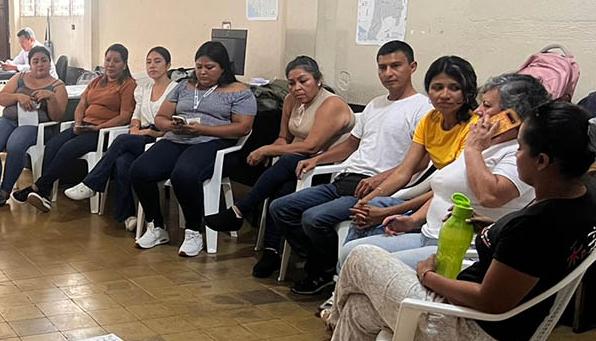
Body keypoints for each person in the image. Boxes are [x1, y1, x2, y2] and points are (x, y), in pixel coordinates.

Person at [287, 101, 596, 341]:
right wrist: (491, 226)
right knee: (359, 309)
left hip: (472, 337)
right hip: (490, 327)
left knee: (361, 256)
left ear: (542, 161)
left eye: (520, 149)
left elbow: (489, 301)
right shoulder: (580, 200)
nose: (516, 154)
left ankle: (332, 316)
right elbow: (527, 257)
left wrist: (428, 276)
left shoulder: (536, 226)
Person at [336, 73, 548, 271]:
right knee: (350, 252)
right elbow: (444, 191)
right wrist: (413, 220)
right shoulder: (485, 143)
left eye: (487, 105)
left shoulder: (517, 154)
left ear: (512, 117)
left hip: (463, 249)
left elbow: (490, 196)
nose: (478, 111)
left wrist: (473, 149)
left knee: (364, 265)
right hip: (429, 234)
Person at [268, 41, 431, 296]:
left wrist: (380, 178)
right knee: (281, 207)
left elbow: (421, 162)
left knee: (314, 218)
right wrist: (318, 160)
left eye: (395, 66)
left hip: (381, 188)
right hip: (344, 179)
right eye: (382, 67)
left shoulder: (423, 108)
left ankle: (324, 271)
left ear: (412, 67)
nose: (388, 73)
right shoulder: (375, 104)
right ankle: (324, 264)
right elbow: (349, 146)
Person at [204, 56, 354, 276]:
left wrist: (267, 150)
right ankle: (271, 251)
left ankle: (241, 211)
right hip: (296, 166)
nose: (297, 88)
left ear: (318, 80)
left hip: (325, 167)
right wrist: (274, 148)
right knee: (282, 183)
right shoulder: (291, 101)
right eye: (291, 83)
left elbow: (312, 146)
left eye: (303, 81)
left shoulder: (331, 104)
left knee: (288, 163)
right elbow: (284, 138)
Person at [131, 40, 256, 257]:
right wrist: (171, 126)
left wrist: (204, 129)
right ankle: (156, 226)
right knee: (139, 170)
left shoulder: (240, 92)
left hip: (213, 142)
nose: (202, 72)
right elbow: (161, 117)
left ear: (223, 68)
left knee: (184, 174)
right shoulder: (184, 86)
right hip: (178, 138)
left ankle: (194, 231)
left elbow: (242, 127)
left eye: (209, 67)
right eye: (199, 67)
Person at [346, 55, 480, 234]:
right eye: (437, 87)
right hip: (435, 195)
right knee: (364, 212)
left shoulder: (475, 127)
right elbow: (403, 172)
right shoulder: (429, 120)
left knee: (378, 223)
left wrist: (388, 212)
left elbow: (449, 188)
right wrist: (364, 202)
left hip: (457, 204)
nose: (444, 95)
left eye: (454, 88)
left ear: (467, 92)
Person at [64, 46, 178, 230]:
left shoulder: (175, 90)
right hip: (141, 135)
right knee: (122, 162)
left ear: (168, 65)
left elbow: (174, 123)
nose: (152, 66)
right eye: (149, 62)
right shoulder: (144, 89)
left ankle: (91, 183)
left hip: (161, 138)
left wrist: (151, 133)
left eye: (157, 62)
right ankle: (128, 215)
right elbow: (136, 114)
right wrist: (135, 128)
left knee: (121, 141)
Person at [13, 43, 136, 212]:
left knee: (68, 148)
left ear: (124, 64)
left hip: (104, 132)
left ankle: (38, 188)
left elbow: (125, 116)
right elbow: (82, 105)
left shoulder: (128, 84)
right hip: (84, 126)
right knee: (53, 144)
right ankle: (44, 193)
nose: (110, 64)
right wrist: (78, 122)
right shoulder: (96, 81)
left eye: (116, 61)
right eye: (108, 60)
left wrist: (99, 127)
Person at [0, 46, 68, 209]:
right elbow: (2, 98)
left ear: (50, 63)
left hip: (36, 125)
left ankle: (5, 191)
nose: (40, 64)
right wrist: (18, 97)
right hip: (10, 120)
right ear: (30, 64)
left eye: (44, 60)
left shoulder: (58, 86)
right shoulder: (19, 77)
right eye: (36, 61)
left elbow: (57, 117)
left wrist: (51, 98)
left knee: (15, 144)